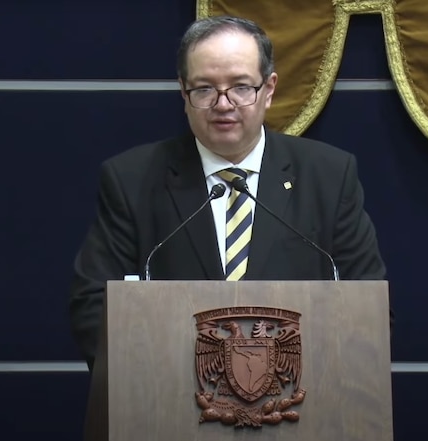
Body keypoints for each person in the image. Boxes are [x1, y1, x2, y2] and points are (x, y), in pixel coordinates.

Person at [68, 15, 388, 369]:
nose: (223, 104)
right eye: (204, 88)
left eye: (240, 87)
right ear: (183, 93)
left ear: (268, 89)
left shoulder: (328, 176)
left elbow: (368, 307)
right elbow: (93, 305)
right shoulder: (131, 179)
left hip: (301, 402)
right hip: (169, 406)